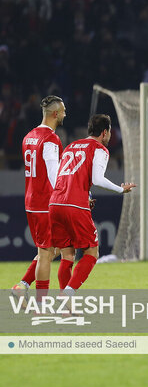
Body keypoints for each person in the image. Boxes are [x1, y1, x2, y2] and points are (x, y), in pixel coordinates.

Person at [49, 114, 135, 296]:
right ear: (104, 132)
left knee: (67, 256)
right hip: (74, 205)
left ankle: (67, 307)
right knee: (91, 252)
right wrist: (121, 190)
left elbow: (62, 176)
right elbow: (97, 179)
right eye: (110, 131)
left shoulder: (70, 146)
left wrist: (84, 194)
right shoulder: (99, 149)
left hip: (55, 202)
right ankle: (68, 294)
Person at [11, 95, 74, 300]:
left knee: (52, 248)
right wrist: (68, 195)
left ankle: (22, 286)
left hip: (31, 200)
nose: (65, 113)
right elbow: (53, 174)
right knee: (47, 253)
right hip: (45, 202)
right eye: (63, 110)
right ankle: (40, 303)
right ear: (56, 114)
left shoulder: (28, 136)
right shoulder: (51, 139)